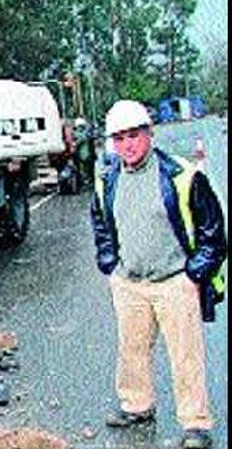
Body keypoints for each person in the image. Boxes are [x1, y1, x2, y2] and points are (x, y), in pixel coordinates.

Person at [90, 100, 226, 449]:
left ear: (149, 134)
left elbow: (213, 232)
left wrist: (194, 275)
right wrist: (110, 265)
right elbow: (102, 224)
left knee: (185, 356)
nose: (127, 145)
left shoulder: (182, 176)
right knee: (132, 350)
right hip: (130, 283)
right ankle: (137, 406)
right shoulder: (108, 180)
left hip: (175, 282)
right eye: (119, 138)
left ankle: (195, 425)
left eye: (134, 135)